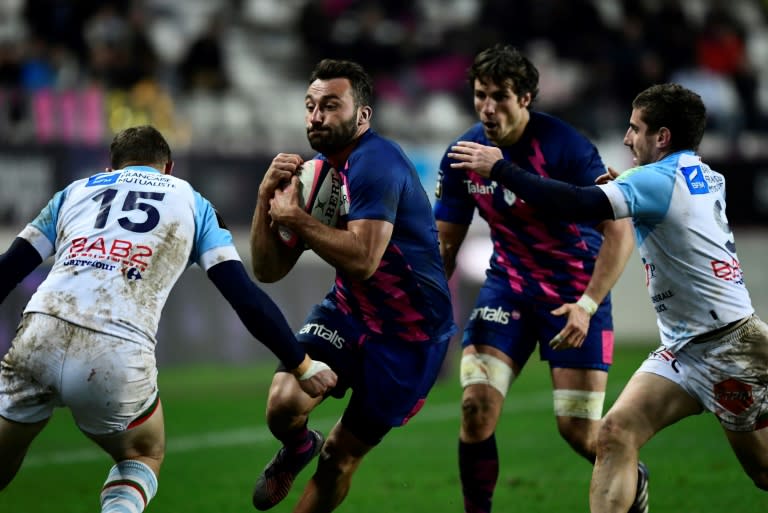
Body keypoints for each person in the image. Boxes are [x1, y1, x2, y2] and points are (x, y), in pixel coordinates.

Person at [446, 82, 768, 512]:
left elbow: (576, 204)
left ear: (663, 137)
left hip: (728, 347)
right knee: (615, 432)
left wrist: (502, 170)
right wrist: (629, 192)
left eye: (635, 129)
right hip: (683, 348)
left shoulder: (655, 179)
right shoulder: (702, 173)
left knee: (762, 472)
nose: (626, 138)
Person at [0, 125, 337, 513]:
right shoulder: (191, 201)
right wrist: (302, 364)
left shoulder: (73, 192)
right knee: (142, 454)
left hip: (38, 332)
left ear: (112, 167)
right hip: (115, 349)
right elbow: (244, 298)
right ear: (169, 168)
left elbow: (9, 270)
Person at [432, 44, 647, 513]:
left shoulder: (566, 147)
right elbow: (444, 245)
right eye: (480, 95)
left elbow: (620, 231)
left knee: (579, 432)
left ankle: (632, 478)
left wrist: (589, 305)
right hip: (507, 288)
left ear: (526, 98)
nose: (488, 108)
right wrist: (424, 312)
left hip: (573, 294)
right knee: (475, 409)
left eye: (500, 97)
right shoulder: (463, 154)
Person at [249, 58, 456, 513]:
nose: (316, 116)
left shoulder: (377, 163)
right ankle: (298, 447)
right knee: (283, 404)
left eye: (330, 105)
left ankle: (315, 456)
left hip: (409, 338)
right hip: (348, 313)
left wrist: (297, 219)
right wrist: (265, 198)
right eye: (310, 105)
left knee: (339, 457)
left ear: (362, 116)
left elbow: (363, 259)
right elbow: (267, 270)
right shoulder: (318, 173)